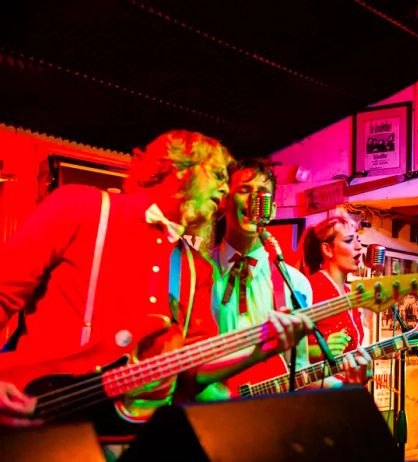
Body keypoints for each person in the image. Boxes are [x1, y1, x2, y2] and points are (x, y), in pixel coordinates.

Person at [0, 130, 312, 430]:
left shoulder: (197, 269)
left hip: (132, 438)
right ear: (180, 169)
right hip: (38, 422)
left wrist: (262, 347)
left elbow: (192, 372)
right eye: (218, 176)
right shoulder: (80, 207)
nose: (224, 190)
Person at [202, 159, 371, 400]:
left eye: (262, 194)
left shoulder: (295, 284)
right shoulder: (198, 270)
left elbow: (298, 369)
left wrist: (349, 386)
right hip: (208, 413)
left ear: (271, 210)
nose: (253, 200)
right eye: (244, 190)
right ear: (225, 200)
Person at [298, 214, 365, 366]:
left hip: (347, 386)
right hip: (319, 388)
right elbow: (288, 350)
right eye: (349, 241)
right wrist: (321, 350)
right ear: (328, 249)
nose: (358, 246)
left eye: (358, 240)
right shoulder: (310, 288)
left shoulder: (349, 292)